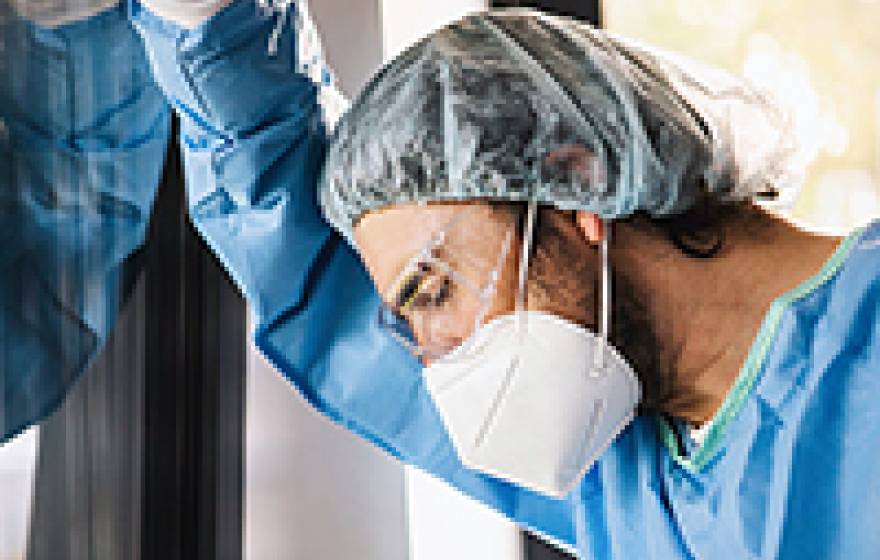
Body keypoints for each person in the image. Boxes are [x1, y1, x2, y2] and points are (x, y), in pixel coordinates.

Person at [3, 3, 878, 558]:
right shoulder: (640, 485)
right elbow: (323, 274)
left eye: (431, 294)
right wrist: (203, 25)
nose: (434, 364)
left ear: (573, 182)